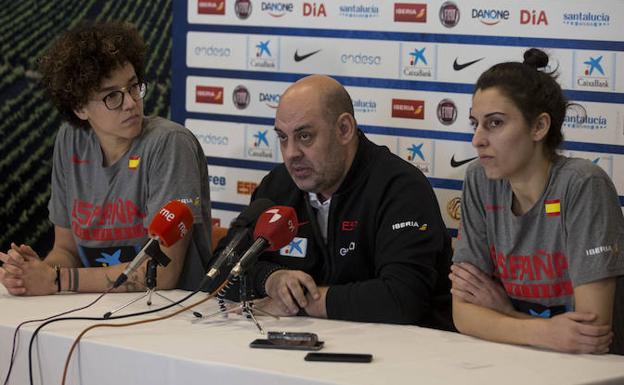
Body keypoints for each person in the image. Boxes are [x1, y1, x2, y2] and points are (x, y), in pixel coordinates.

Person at [217, 75, 453, 328]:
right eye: (283, 138)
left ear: (344, 129)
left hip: (400, 353)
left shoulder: (399, 188)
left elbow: (403, 299)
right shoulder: (278, 186)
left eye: (305, 136)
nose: (291, 153)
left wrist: (299, 303)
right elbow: (220, 269)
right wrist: (270, 280)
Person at [0, 21, 212, 295]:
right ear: (79, 108)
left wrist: (57, 280)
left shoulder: (170, 144)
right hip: (94, 306)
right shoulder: (71, 140)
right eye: (112, 96)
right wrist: (31, 274)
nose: (130, 103)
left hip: (170, 314)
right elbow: (66, 250)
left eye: (134, 87)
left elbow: (161, 272)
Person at [450, 48, 624, 354]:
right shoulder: (480, 179)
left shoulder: (583, 184)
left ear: (539, 127)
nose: (477, 138)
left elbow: (590, 335)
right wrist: (545, 331)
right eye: (474, 123)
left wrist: (502, 313)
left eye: (495, 123)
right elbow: (463, 314)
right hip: (520, 358)